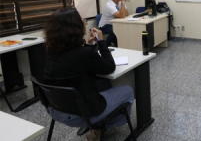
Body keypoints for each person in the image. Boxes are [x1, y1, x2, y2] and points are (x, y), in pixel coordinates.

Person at [43, 8, 134, 141]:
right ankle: (102, 126)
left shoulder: (50, 51)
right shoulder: (84, 54)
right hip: (80, 113)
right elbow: (109, 67)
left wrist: (88, 44)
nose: (86, 23)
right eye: (83, 21)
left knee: (104, 83)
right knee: (127, 90)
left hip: (55, 109)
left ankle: (98, 128)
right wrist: (101, 42)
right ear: (74, 27)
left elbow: (75, 59)